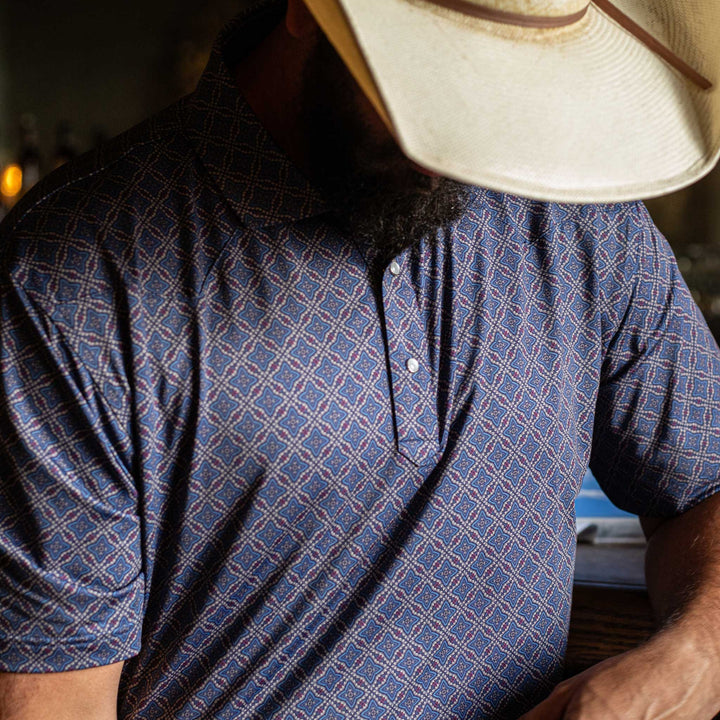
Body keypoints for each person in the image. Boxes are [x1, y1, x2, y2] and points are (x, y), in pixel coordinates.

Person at [1, 0, 719, 718]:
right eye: (435, 85)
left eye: (504, 91)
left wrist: (694, 658)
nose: (463, 150)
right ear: (307, 11)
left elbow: (705, 484)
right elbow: (53, 702)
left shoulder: (578, 212)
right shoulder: (65, 283)